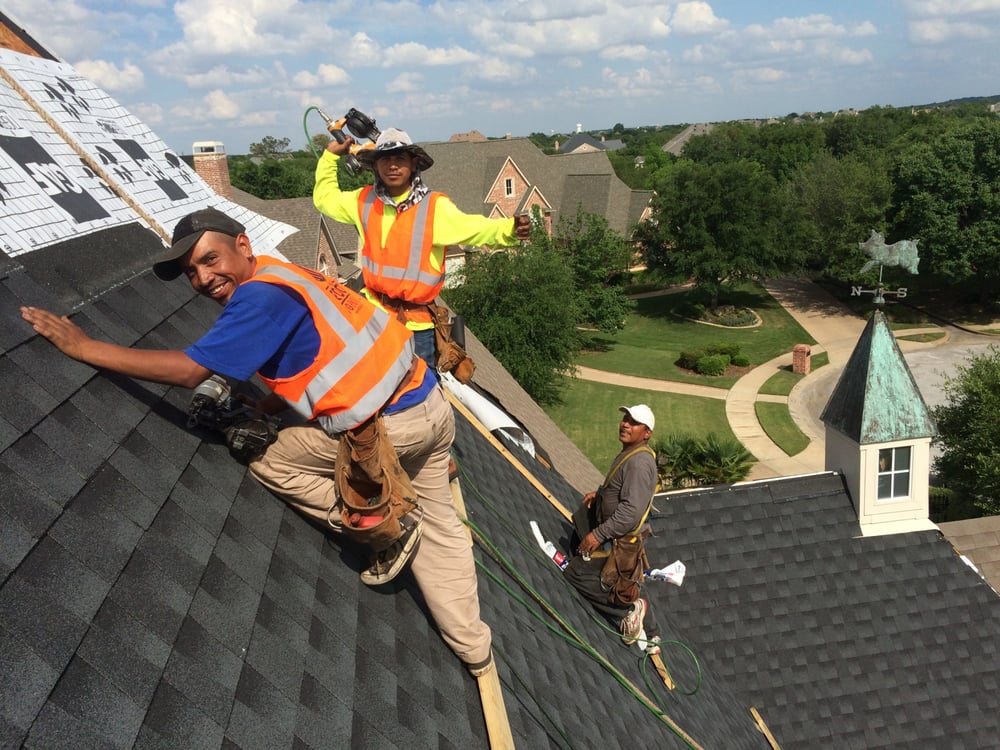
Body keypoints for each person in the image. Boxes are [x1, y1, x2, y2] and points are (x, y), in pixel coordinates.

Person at [20, 207, 494, 676]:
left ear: (242, 246)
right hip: (431, 408)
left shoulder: (257, 298)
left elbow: (188, 372)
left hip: (389, 432)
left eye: (210, 260)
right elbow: (323, 353)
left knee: (268, 456)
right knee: (446, 532)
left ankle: (379, 517)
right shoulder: (285, 273)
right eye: (191, 272)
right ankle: (475, 648)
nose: (203, 278)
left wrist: (83, 347)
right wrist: (267, 406)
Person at [313, 127, 531, 370]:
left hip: (416, 327)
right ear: (375, 166)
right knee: (372, 385)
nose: (392, 166)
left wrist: (510, 230)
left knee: (419, 392)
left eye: (400, 158)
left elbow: (475, 227)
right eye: (385, 159)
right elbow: (325, 198)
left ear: (413, 164)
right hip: (373, 316)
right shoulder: (363, 201)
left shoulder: (434, 208)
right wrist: (331, 156)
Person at [564, 404, 661, 653]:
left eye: (633, 422)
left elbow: (630, 513)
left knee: (575, 574)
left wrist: (598, 535)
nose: (625, 424)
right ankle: (649, 625)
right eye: (625, 419)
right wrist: (600, 495)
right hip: (611, 532)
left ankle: (629, 610)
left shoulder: (639, 464)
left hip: (618, 541)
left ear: (647, 433)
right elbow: (621, 491)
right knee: (579, 525)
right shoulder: (633, 453)